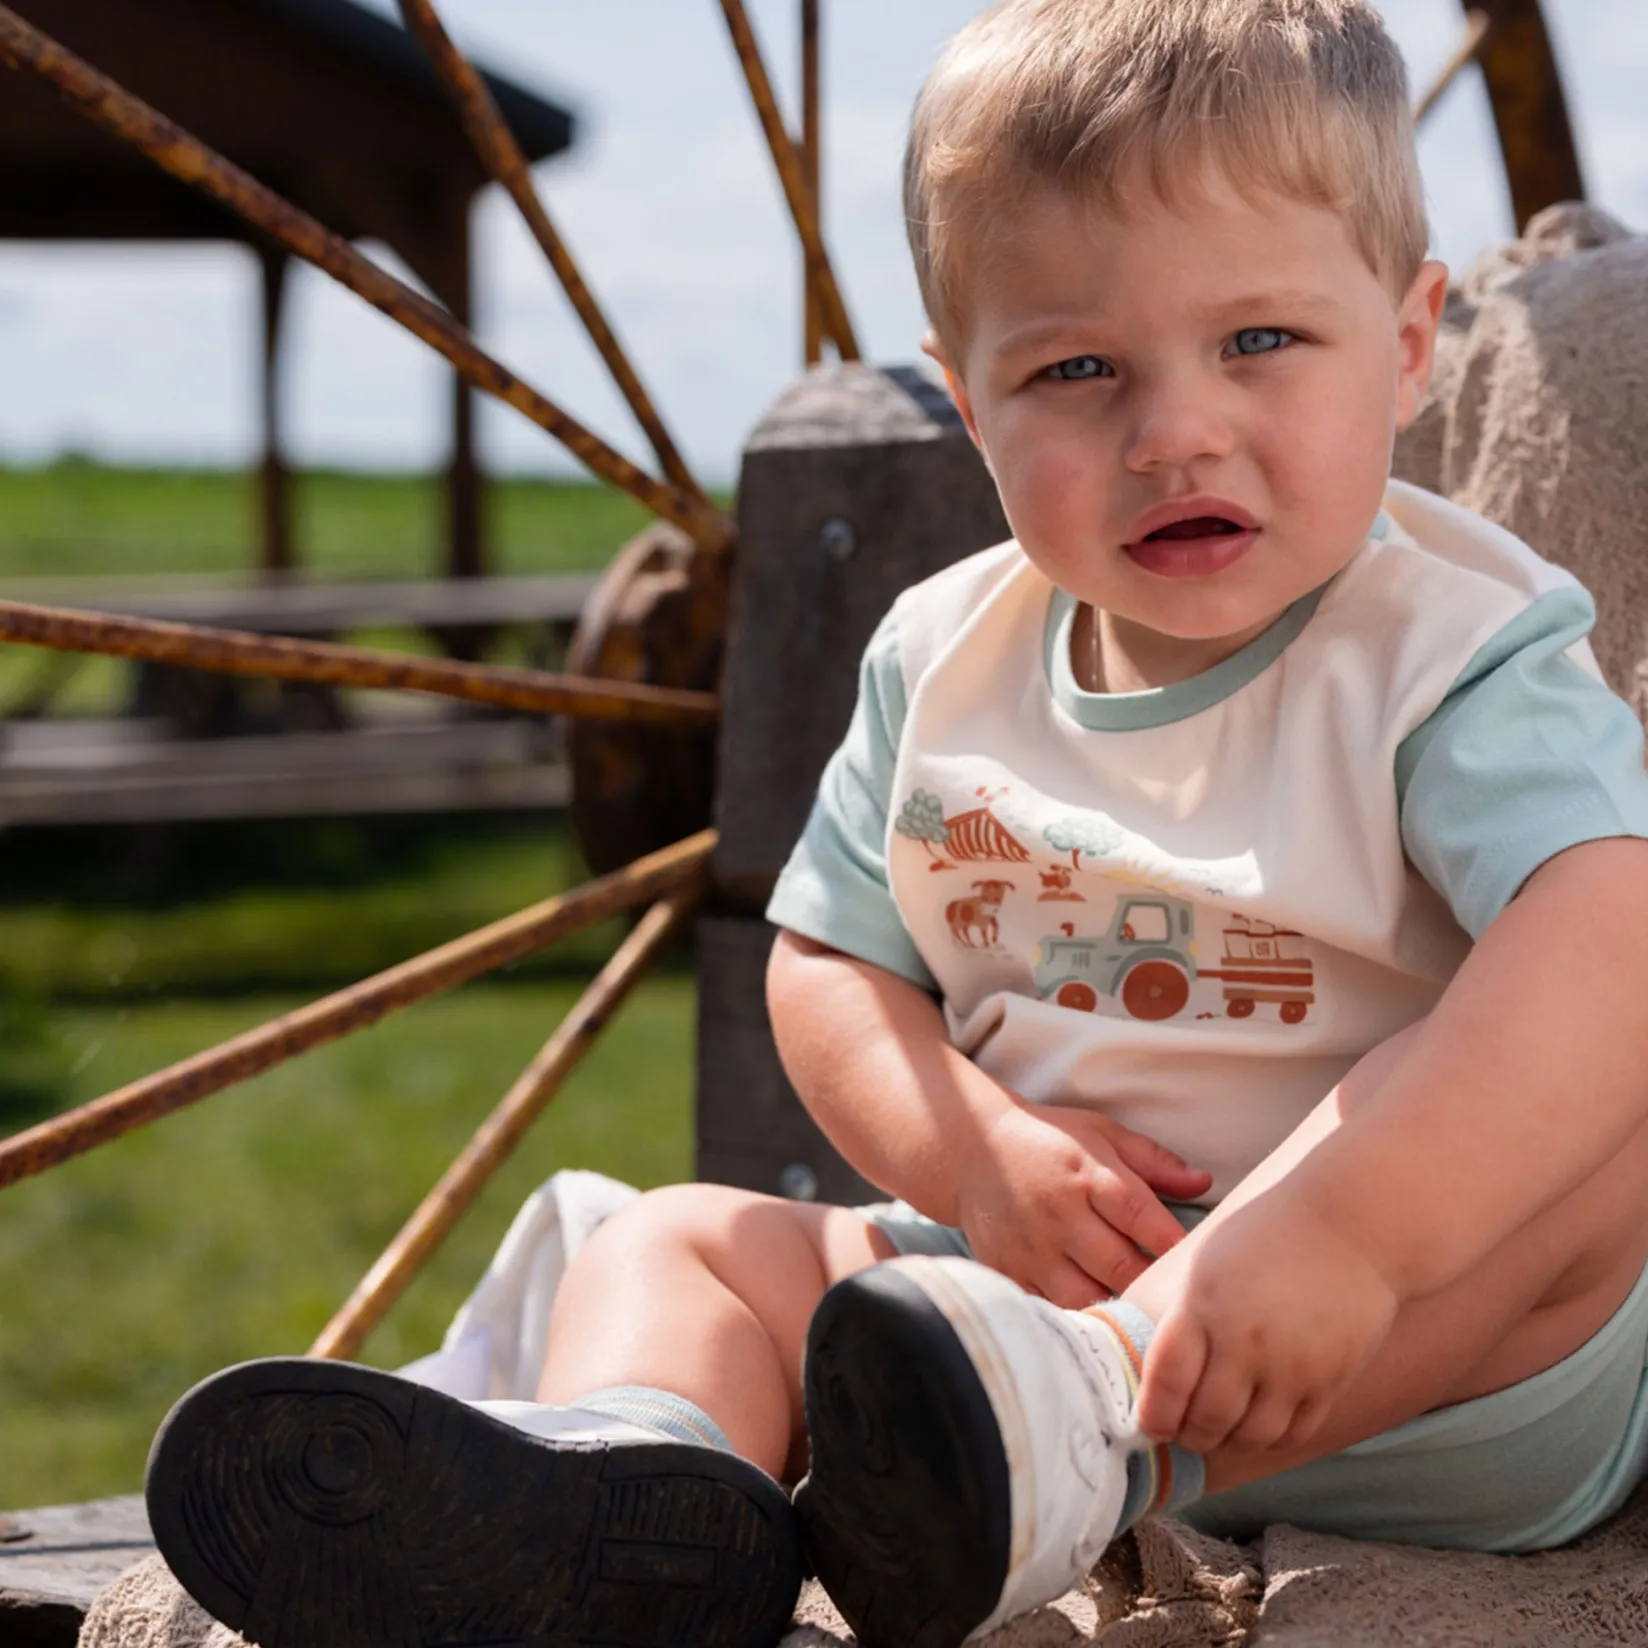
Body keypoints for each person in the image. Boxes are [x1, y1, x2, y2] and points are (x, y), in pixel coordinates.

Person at [143, 3, 1648, 1647]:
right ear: (967, 400)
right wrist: (976, 1156)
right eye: (1077, 370)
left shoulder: (1448, 656)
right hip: (1003, 1335)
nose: (1175, 431)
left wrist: (1350, 1237)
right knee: (683, 1242)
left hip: (1428, 1358)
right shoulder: (946, 659)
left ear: (1412, 342)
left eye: (1262, 344)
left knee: (1606, 1145)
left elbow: (1606, 934)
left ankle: (1087, 1418)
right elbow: (829, 965)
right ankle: (633, 1487)